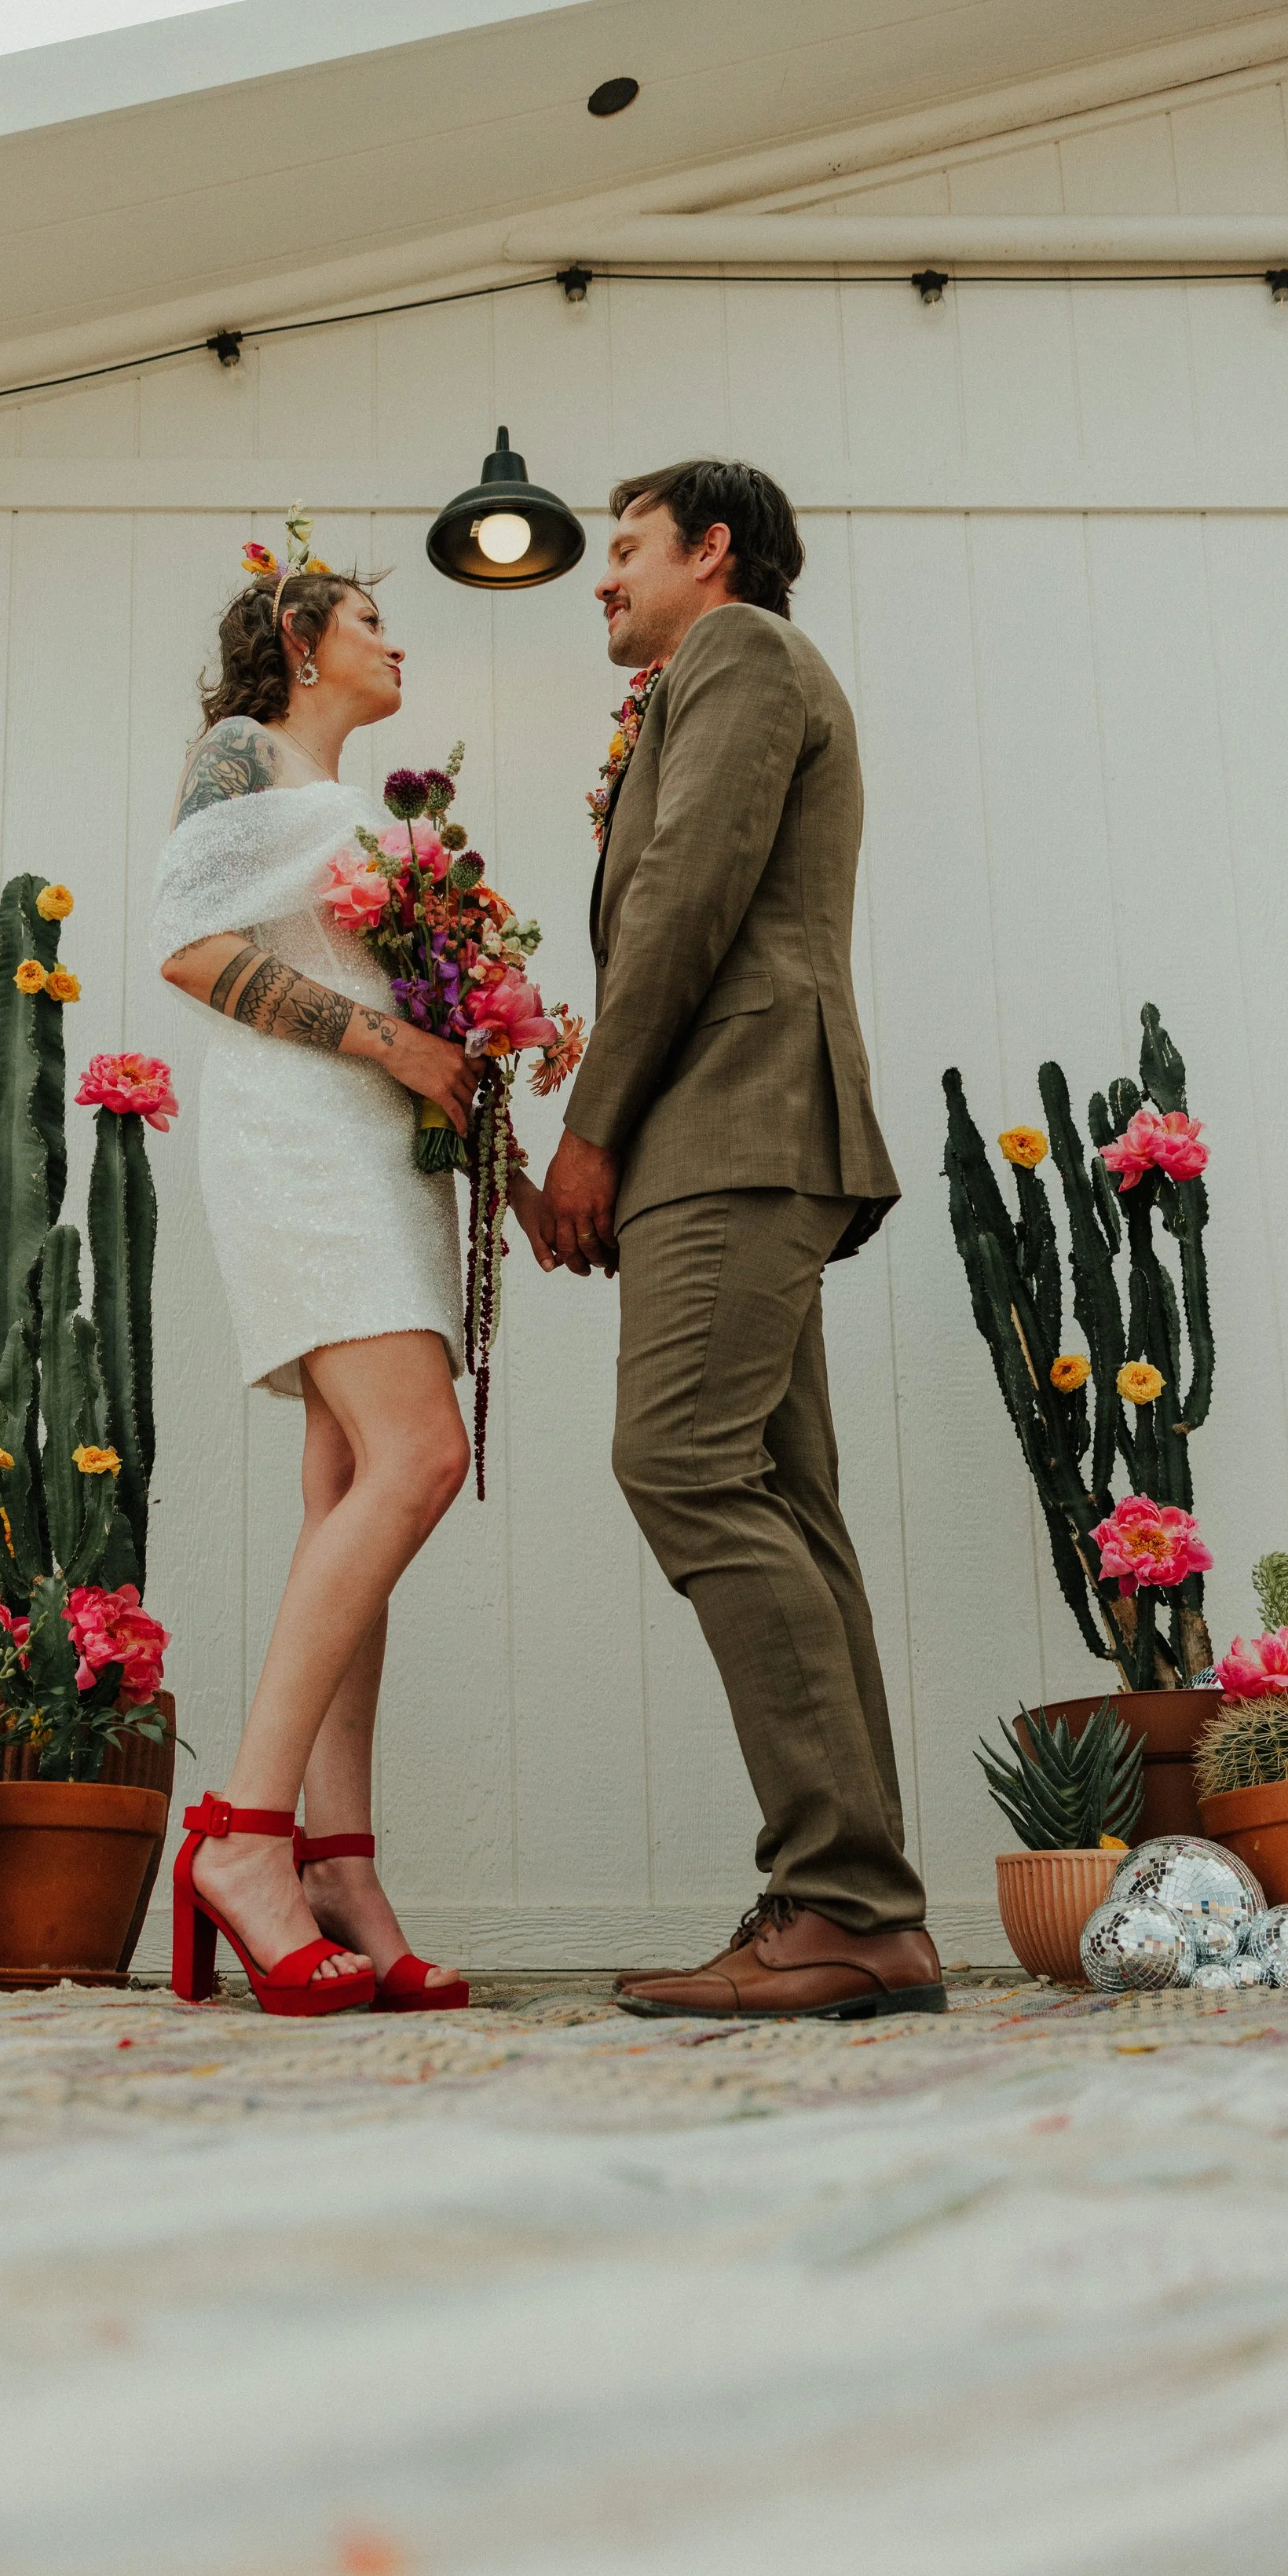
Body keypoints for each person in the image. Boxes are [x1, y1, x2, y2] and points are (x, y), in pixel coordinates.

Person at [541, 460, 945, 2021]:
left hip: (737, 1123)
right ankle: (854, 1909)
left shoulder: (739, 654)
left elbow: (686, 895)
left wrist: (593, 1124)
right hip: (727, 1134)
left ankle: (838, 1898)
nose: (602, 574)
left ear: (712, 551)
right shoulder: (701, 679)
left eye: (625, 545)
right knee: (779, 1493)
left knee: (684, 1465)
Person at [152, 551, 551, 2016]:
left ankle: (339, 1860)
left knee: (350, 1498)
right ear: (301, 641)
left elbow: (426, 1031)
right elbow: (186, 948)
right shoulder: (242, 756)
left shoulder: (378, 825)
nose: (400, 646)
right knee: (419, 1457)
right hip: (301, 1143)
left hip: (390, 1159)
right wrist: (392, 1051)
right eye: (376, 622)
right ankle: (246, 1837)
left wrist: (512, 1176)